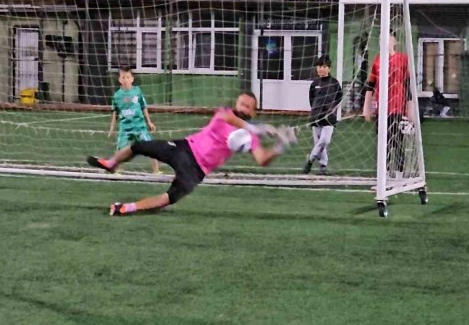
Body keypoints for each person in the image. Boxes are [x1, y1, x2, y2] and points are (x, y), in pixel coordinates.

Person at [87, 92, 297, 216]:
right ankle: (112, 163)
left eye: (248, 107)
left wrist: (281, 146)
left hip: (197, 170)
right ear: (236, 104)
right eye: (241, 103)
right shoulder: (226, 113)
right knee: (139, 146)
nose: (243, 108)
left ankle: (126, 208)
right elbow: (230, 119)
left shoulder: (250, 137)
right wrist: (256, 127)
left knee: (168, 199)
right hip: (184, 149)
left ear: (254, 111)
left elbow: (262, 159)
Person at [363, 30, 413, 177]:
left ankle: (398, 174)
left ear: (395, 41)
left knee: (397, 141)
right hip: (381, 108)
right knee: (382, 143)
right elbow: (370, 85)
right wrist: (367, 108)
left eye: (388, 38)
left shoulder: (403, 59)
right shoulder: (377, 60)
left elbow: (408, 85)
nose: (384, 41)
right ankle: (382, 175)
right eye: (381, 39)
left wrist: (411, 108)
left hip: (398, 107)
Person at [108, 67, 159, 174]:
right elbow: (115, 112)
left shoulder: (137, 91)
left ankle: (156, 170)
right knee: (120, 149)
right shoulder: (117, 96)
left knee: (151, 147)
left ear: (132, 79)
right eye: (123, 77)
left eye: (128, 77)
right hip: (125, 128)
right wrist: (112, 127)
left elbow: (143, 107)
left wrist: (149, 122)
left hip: (139, 126)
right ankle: (116, 169)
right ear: (119, 80)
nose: (125, 80)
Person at [302, 55, 342, 176]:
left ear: (329, 68)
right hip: (316, 117)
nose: (321, 69)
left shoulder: (334, 83)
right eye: (319, 66)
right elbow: (311, 99)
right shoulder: (314, 83)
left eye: (324, 66)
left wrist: (330, 109)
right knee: (318, 144)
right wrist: (316, 111)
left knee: (325, 140)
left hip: (329, 118)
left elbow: (339, 98)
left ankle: (310, 160)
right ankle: (323, 165)